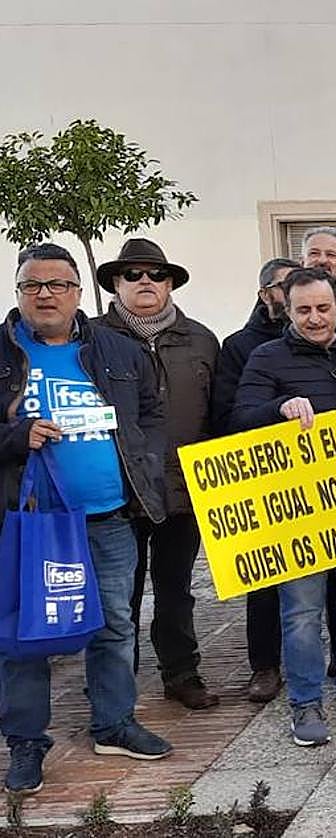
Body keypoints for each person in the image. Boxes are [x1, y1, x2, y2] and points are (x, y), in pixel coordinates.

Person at [1, 244, 171, 796]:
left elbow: (149, 414)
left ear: (78, 292)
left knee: (117, 625)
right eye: (33, 285)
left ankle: (113, 723)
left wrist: (143, 465)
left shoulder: (117, 349)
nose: (45, 294)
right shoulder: (2, 355)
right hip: (28, 523)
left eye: (57, 284)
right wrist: (13, 437)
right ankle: (27, 742)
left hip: (109, 517)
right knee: (27, 634)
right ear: (18, 292)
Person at [232, 268, 336, 746]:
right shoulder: (267, 357)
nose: (314, 318)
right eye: (303, 309)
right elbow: (241, 419)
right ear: (286, 310)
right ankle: (305, 703)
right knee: (301, 610)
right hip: (299, 509)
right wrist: (279, 408)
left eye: (323, 308)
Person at [93, 238, 220, 712]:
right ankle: (114, 682)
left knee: (175, 589)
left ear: (169, 284)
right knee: (118, 591)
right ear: (115, 284)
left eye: (155, 275)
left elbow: (218, 413)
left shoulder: (202, 340)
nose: (145, 282)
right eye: (133, 275)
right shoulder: (91, 340)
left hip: (183, 487)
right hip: (119, 489)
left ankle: (181, 673)